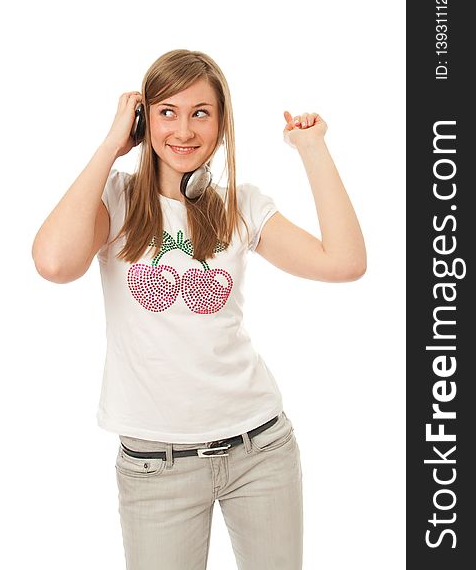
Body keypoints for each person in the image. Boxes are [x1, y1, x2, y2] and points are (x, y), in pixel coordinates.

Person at [32, 49, 366, 570]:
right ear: (144, 121)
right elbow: (53, 262)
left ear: (221, 122)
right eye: (167, 112)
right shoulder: (116, 202)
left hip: (261, 452)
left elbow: (344, 262)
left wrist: (311, 147)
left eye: (200, 112)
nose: (184, 129)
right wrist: (111, 146)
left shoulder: (240, 205)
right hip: (155, 469)